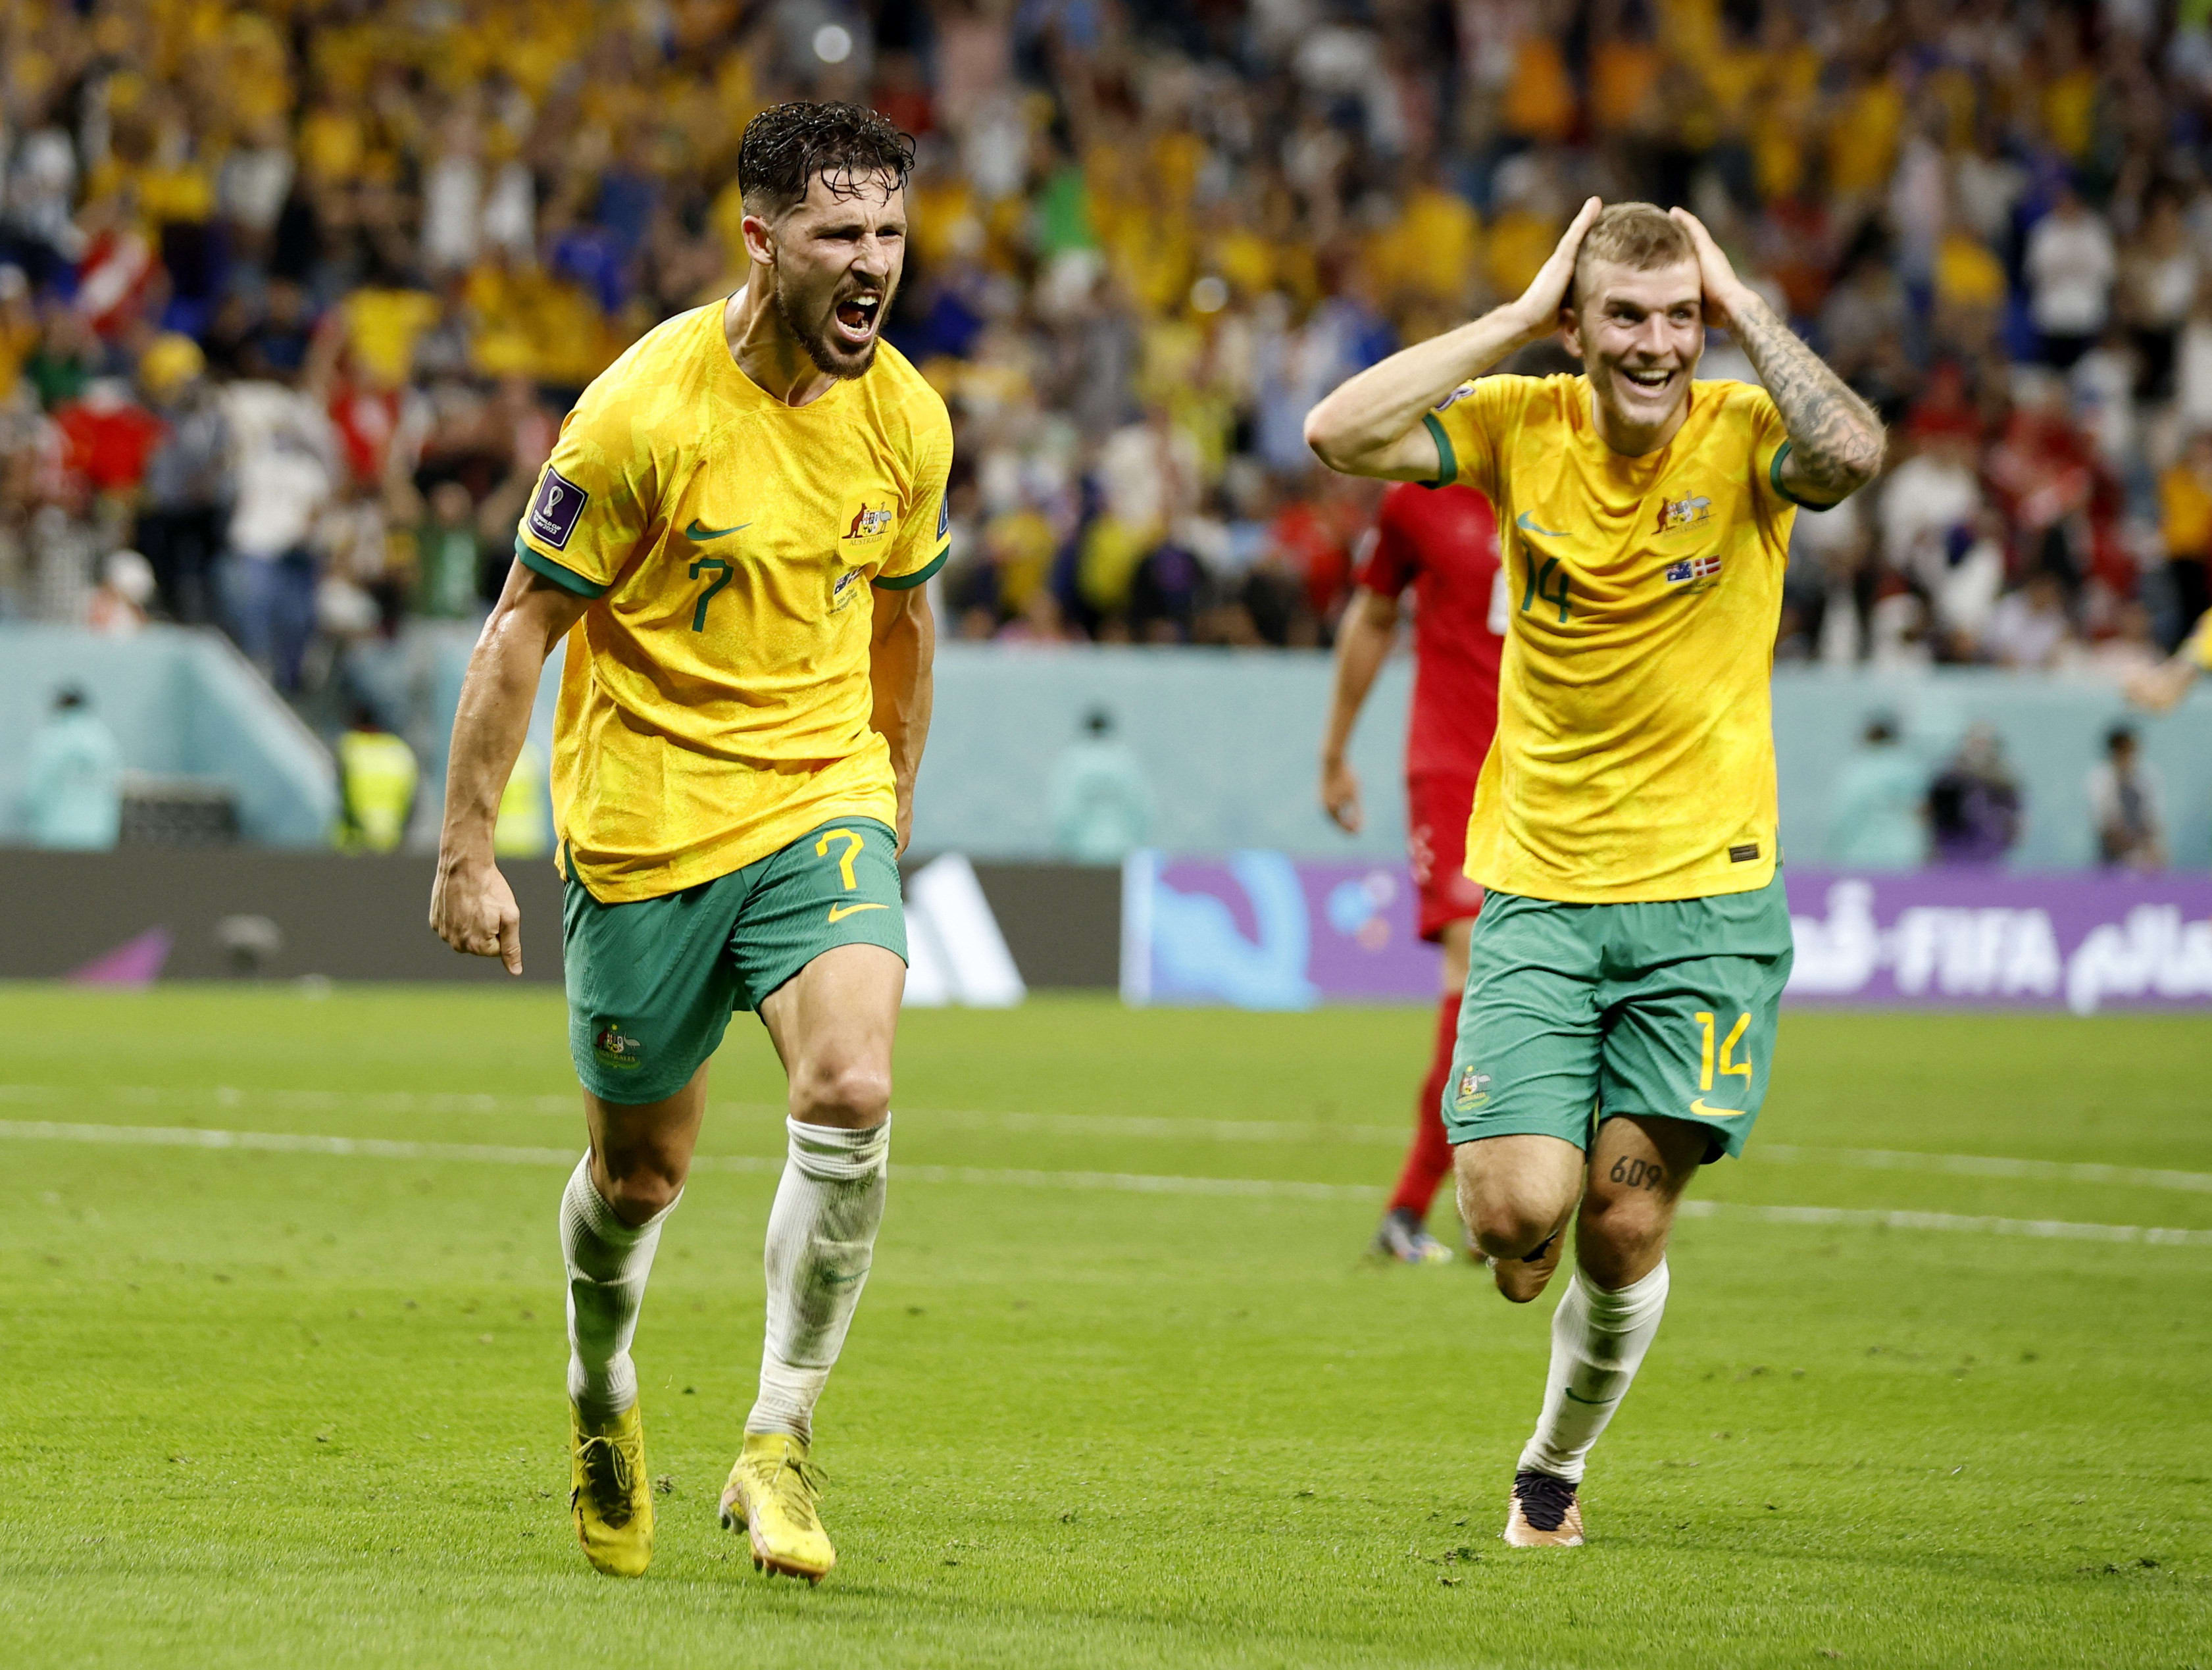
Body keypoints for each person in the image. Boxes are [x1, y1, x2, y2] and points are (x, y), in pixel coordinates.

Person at [1303, 199, 1883, 1548]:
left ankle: (1550, 1469)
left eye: (1679, 317)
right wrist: (1512, 321)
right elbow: (1337, 435)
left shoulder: (1747, 439)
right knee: (1513, 1221)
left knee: (1622, 1233)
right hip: (1545, 894)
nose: (1656, 343)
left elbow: (1852, 448)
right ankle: (1525, 1225)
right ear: (1578, 326)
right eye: (1626, 315)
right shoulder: (1520, 423)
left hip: (1708, 907)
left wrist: (1746, 315)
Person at [428, 103, 949, 1586]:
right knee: (639, 1179)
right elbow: (522, 630)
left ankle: (778, 1439)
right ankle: (602, 1394)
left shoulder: (907, 415)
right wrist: (470, 850)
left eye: (891, 235)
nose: (873, 263)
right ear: (762, 236)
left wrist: (892, 792)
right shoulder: (639, 413)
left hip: (816, 796)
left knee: (852, 1083)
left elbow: (903, 618)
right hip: (647, 821)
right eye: (841, 234)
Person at [1319, 477, 1504, 1264]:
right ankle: (1412, 1206)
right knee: (1473, 963)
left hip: (1566, 775)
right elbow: (1372, 614)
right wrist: (1334, 753)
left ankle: (1491, 1196)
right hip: (1455, 767)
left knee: (1530, 985)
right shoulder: (1420, 500)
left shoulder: (1589, 472)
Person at [1046, 707, 1155, 862]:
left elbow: (1062, 810)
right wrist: (1137, 842)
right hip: (1122, 849)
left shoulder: (1072, 761)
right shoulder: (1125, 760)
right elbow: (1142, 808)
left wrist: (1065, 844)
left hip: (1080, 851)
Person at [22, 686, 122, 849]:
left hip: (56, 832)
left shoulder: (52, 738)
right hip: (98, 834)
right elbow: (114, 784)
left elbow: (36, 788)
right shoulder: (103, 739)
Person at [1823, 716, 1925, 869]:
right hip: (1902, 853)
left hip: (1858, 854)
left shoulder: (1855, 770)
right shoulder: (1906, 767)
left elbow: (1842, 813)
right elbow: (1921, 811)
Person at [1925, 724, 2023, 865]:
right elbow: (1930, 810)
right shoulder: (1948, 774)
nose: (1978, 747)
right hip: (1952, 846)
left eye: (1983, 743)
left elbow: (2015, 813)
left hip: (1991, 846)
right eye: (1975, 742)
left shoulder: (2004, 778)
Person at [336, 703, 419, 853]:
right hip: (391, 843)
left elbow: (340, 796)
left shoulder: (349, 746)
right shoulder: (400, 751)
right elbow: (412, 800)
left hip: (354, 844)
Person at [2087, 725, 2167, 870]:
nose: (2129, 756)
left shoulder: (2147, 776)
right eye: (2124, 751)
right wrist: (2124, 846)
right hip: (2112, 848)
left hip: (2143, 845)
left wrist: (2151, 846)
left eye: (2132, 750)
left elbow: (2153, 816)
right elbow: (2105, 820)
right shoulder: (2101, 778)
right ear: (2114, 751)